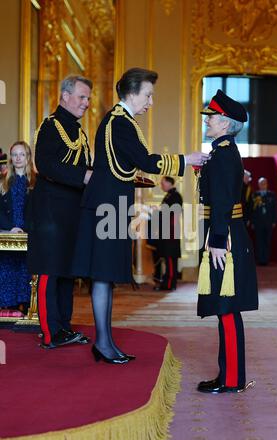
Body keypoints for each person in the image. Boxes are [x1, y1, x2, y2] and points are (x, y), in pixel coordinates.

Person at [72, 67, 208, 364]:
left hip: (111, 204)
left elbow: (122, 167)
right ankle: (104, 344)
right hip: (107, 207)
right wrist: (187, 159)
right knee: (102, 277)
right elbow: (145, 160)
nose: (150, 102)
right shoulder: (121, 123)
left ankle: (106, 343)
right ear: (131, 93)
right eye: (148, 95)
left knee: (105, 277)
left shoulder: (118, 121)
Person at [196, 89, 258, 394]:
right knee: (225, 307)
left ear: (225, 124)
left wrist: (217, 240)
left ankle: (232, 378)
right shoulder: (222, 152)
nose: (207, 121)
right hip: (225, 233)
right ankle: (228, 375)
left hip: (225, 238)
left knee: (227, 307)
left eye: (212, 117)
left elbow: (221, 202)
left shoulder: (222, 154)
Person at [27, 75, 94, 349]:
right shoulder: (50, 126)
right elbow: (45, 165)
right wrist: (84, 176)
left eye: (88, 98)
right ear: (65, 96)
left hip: (72, 213)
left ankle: (64, 328)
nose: (87, 103)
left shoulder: (78, 132)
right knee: (49, 271)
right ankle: (49, 332)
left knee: (68, 271)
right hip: (49, 213)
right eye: (82, 97)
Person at [0, 141, 35, 311]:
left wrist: (27, 228)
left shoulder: (36, 182)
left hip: (30, 233)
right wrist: (10, 228)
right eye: (14, 154)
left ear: (28, 157)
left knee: (26, 270)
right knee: (8, 268)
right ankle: (9, 306)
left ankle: (27, 304)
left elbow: (39, 210)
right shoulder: (4, 182)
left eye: (22, 154)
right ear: (11, 158)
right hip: (9, 233)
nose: (18, 158)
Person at [154, 176, 183, 291]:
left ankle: (170, 284)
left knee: (170, 258)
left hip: (171, 232)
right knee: (167, 257)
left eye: (163, 183)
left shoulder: (175, 196)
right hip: (166, 231)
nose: (161, 186)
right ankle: (166, 282)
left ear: (169, 183)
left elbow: (174, 215)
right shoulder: (169, 196)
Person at [251, 177, 277, 266]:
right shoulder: (255, 195)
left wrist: (274, 221)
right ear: (258, 185)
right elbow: (252, 210)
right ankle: (259, 259)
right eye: (261, 184)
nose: (263, 185)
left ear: (267, 184)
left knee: (267, 241)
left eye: (264, 183)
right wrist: (253, 222)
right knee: (259, 241)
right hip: (258, 222)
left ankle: (265, 260)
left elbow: (275, 209)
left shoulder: (272, 195)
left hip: (268, 222)